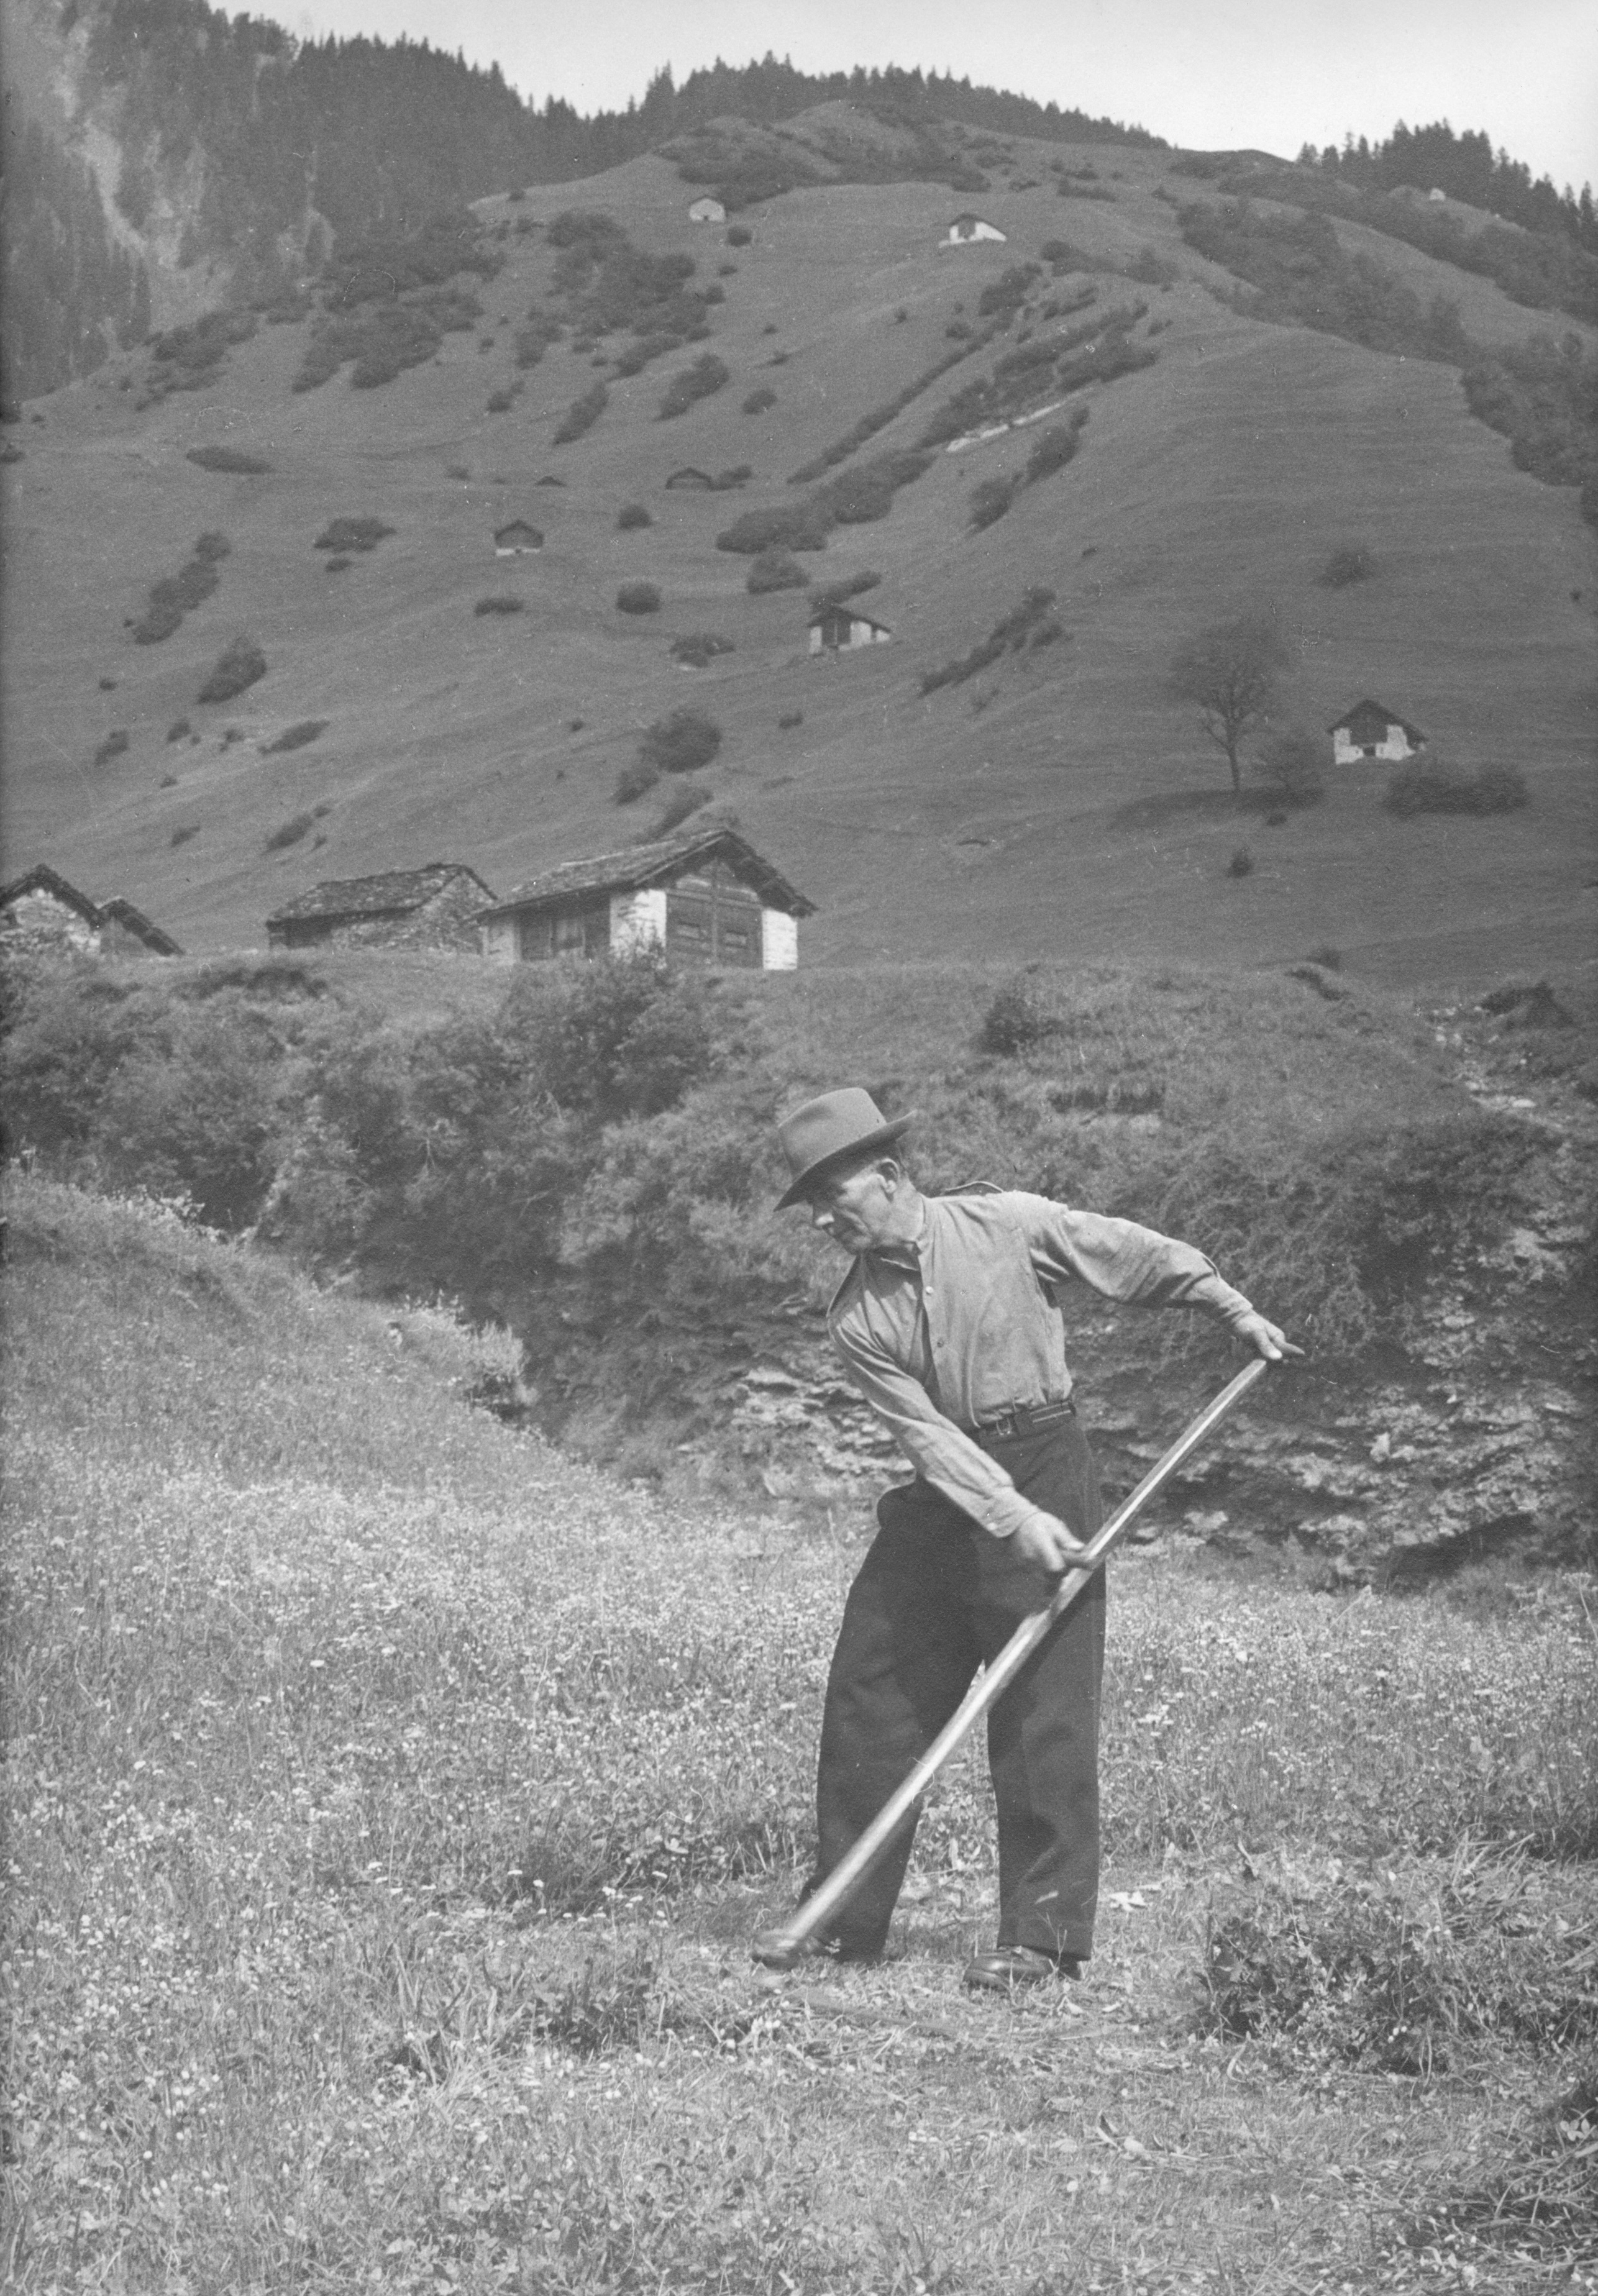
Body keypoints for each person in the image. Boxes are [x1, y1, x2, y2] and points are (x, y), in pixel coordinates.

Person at [774, 1086, 1298, 1991]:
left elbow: (1128, 1254)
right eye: (811, 1203)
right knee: (873, 1689)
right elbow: (929, 1440)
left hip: (1046, 1456)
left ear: (892, 1175)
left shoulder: (1007, 1225)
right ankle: (842, 1922)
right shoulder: (857, 1317)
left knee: (1043, 1709)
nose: (823, 1218)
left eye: (835, 1193)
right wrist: (1011, 1518)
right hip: (949, 1494)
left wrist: (1229, 1307)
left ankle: (1043, 1940)